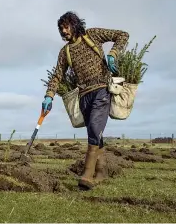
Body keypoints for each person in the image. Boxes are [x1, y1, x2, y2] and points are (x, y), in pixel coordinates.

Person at [42, 11, 129, 190]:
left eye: (66, 27)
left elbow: (122, 35)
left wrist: (113, 53)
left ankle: (87, 174)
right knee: (93, 130)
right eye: (61, 29)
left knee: (95, 128)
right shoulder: (65, 51)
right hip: (84, 95)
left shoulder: (93, 34)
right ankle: (102, 171)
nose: (63, 31)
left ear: (74, 24)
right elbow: (57, 75)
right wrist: (48, 96)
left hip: (102, 90)